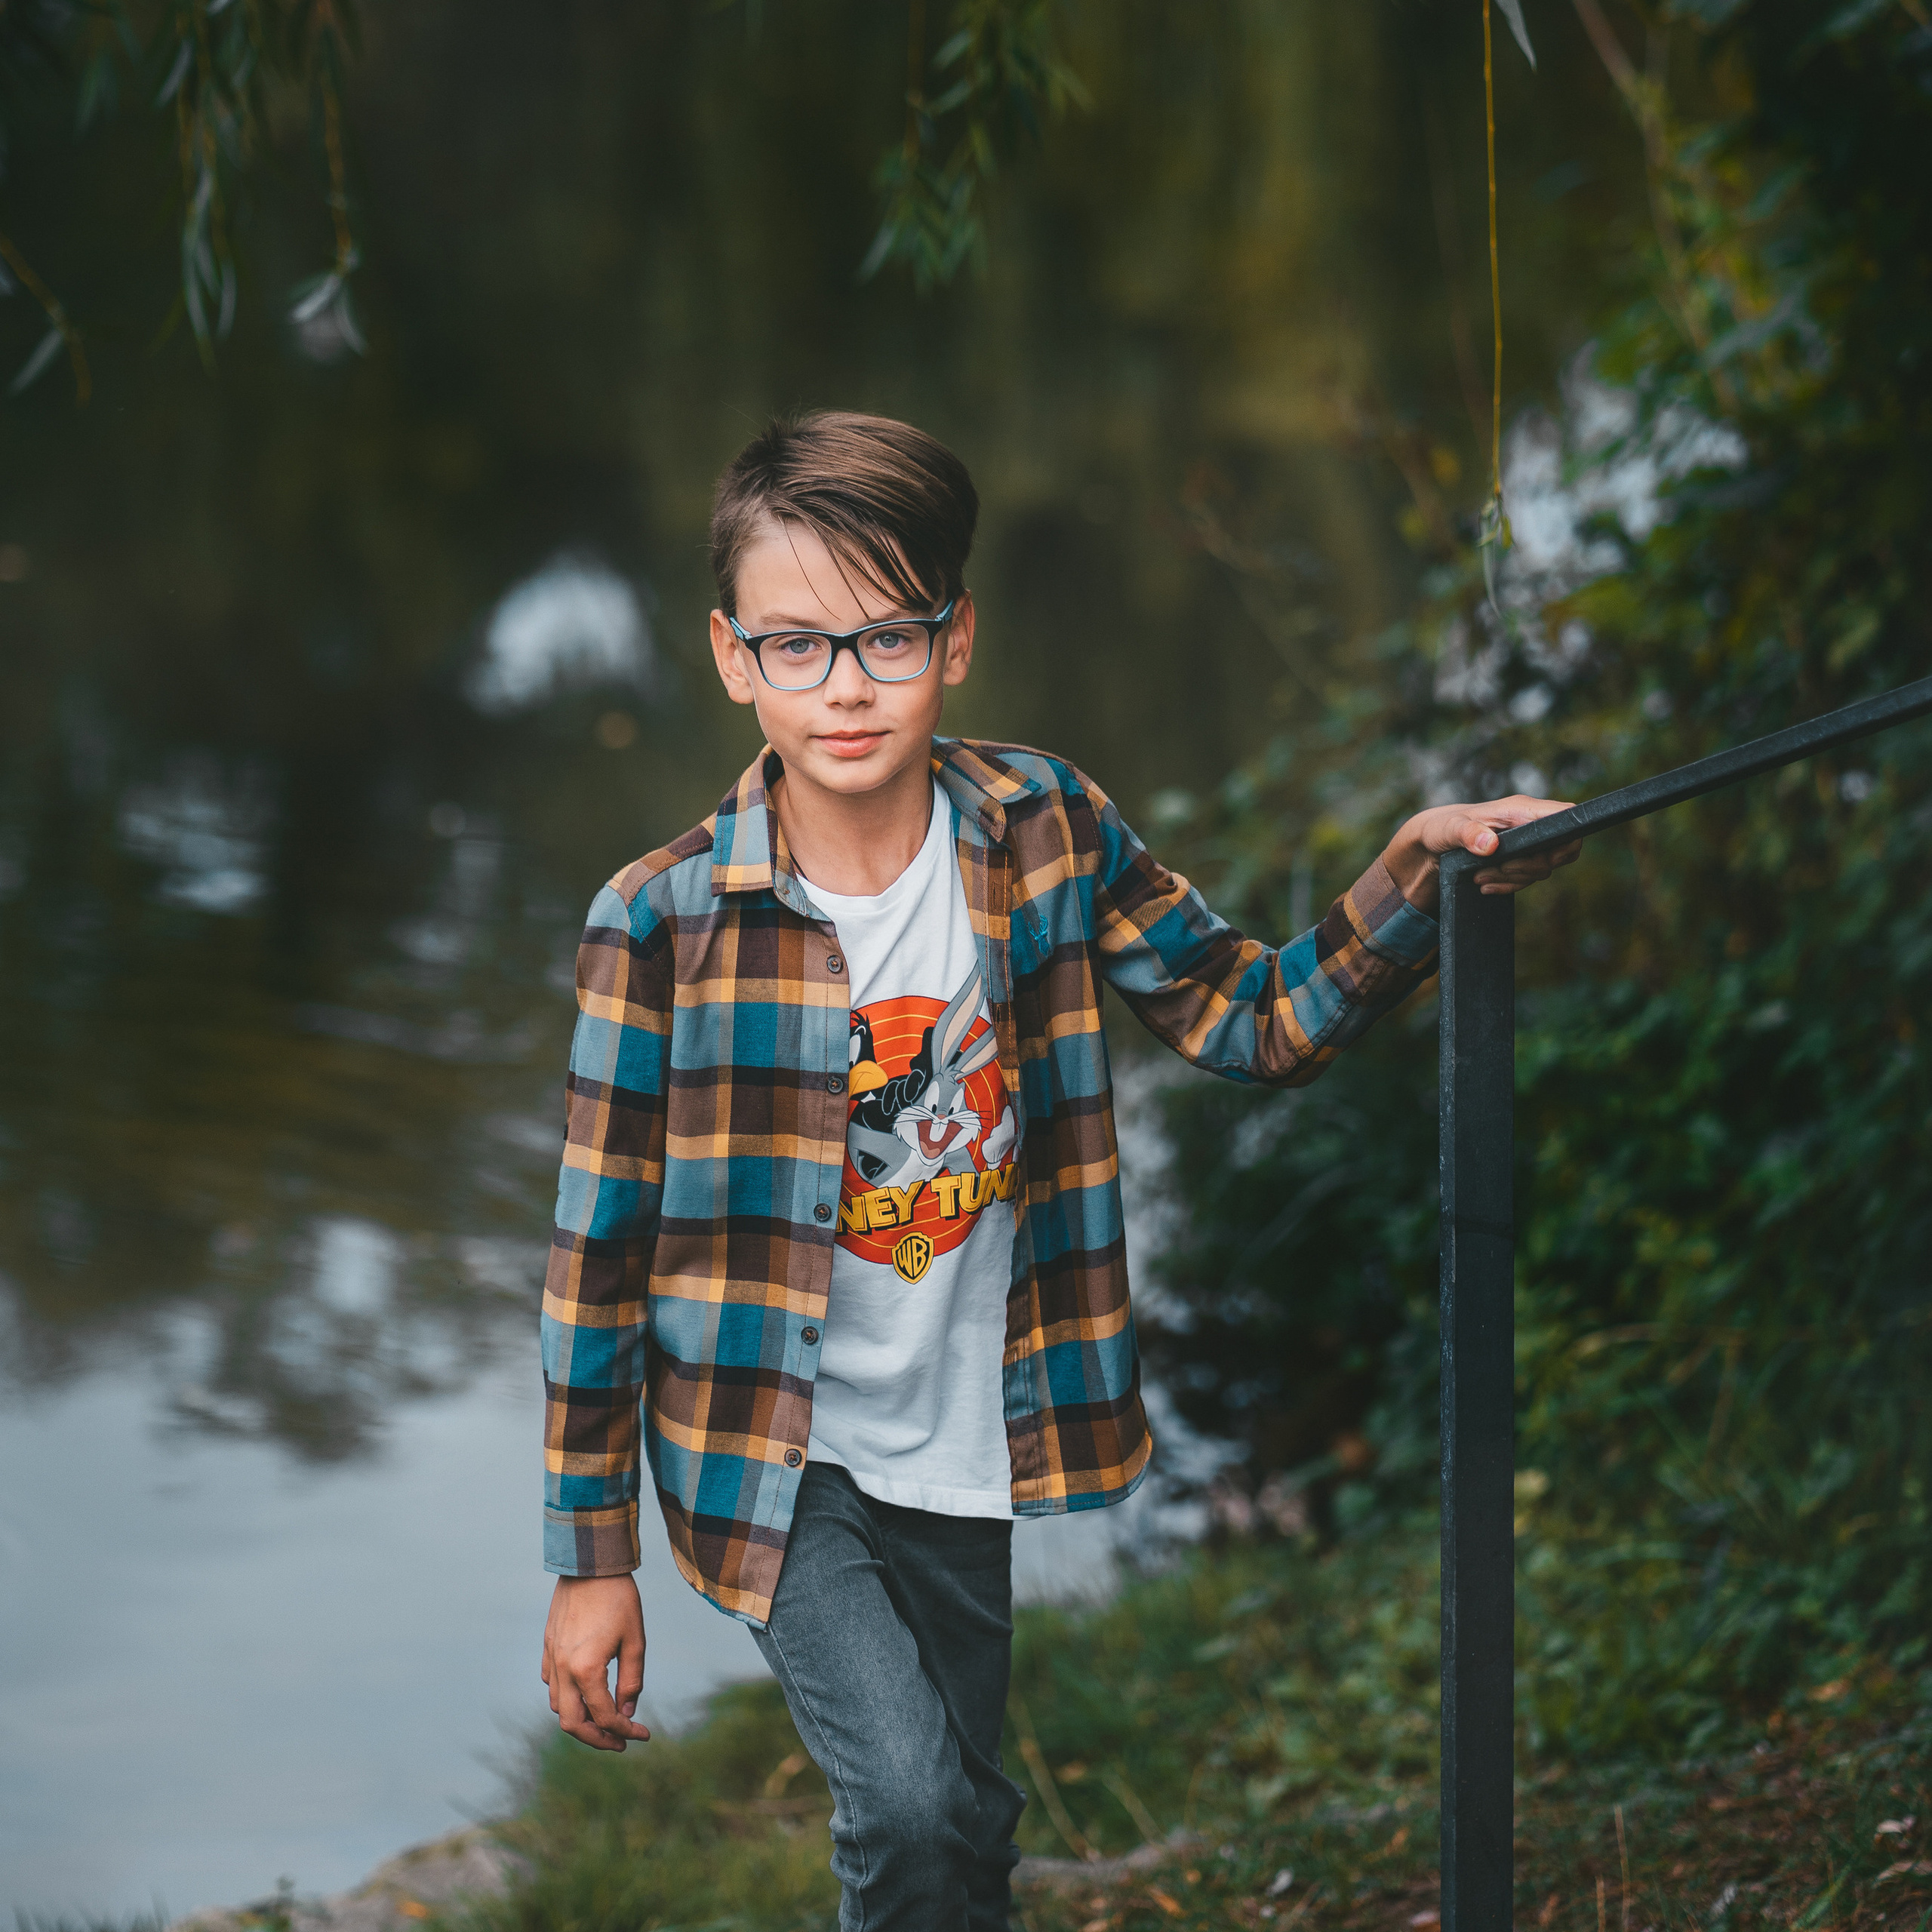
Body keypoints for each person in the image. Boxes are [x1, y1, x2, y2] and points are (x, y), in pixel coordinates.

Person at [536, 410, 1577, 1928]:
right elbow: (593, 1257)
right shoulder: (659, 921)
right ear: (728, 655)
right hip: (772, 1445)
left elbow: (1247, 1013)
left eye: (885, 636)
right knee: (904, 1797)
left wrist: (1418, 875)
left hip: (967, 1424)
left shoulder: (1044, 828)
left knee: (964, 1816)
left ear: (952, 639)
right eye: (797, 643)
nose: (844, 685)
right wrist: (589, 1557)